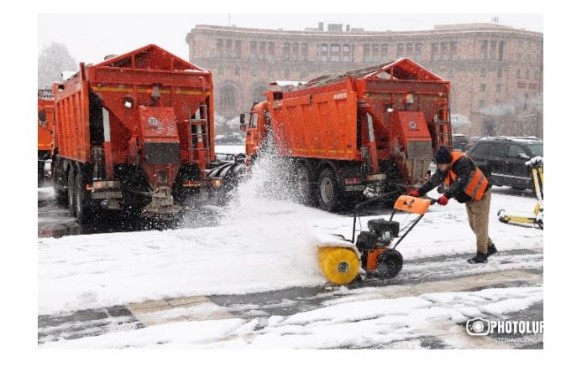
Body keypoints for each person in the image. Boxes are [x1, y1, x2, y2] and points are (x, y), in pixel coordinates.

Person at [409, 146, 497, 264]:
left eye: (441, 165)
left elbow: (461, 182)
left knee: (480, 225)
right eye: (438, 165)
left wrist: (447, 196)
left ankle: (482, 255)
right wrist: (419, 192)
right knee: (473, 225)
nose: (439, 167)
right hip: (470, 196)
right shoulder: (445, 167)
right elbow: (433, 181)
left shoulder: (462, 163)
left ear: (447, 161)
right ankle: (490, 247)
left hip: (481, 194)